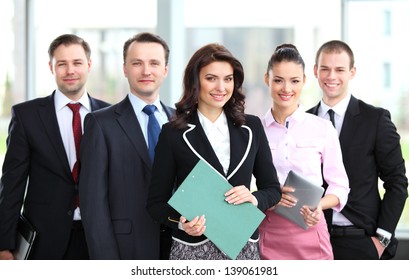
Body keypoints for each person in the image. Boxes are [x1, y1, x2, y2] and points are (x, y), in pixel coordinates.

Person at [146, 43, 282, 260]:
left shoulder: (253, 127)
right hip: (192, 251)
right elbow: (155, 205)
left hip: (243, 249)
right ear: (195, 81)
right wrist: (182, 223)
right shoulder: (173, 133)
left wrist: (254, 198)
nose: (221, 87)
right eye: (211, 78)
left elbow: (273, 189)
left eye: (228, 79)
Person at [0, 34, 110, 260]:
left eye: (77, 63)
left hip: (99, 239)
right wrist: (4, 244)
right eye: (62, 64)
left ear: (89, 65)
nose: (70, 70)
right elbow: (12, 185)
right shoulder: (26, 116)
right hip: (44, 240)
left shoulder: (110, 116)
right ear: (51, 67)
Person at [307, 40, 408, 260]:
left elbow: (397, 182)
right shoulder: (303, 121)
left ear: (352, 72)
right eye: (325, 68)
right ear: (315, 71)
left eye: (340, 69)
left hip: (360, 241)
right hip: (311, 239)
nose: (331, 76)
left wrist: (382, 239)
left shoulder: (376, 120)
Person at [78, 32, 174, 260]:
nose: (146, 71)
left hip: (178, 248)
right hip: (125, 249)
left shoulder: (182, 121)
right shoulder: (100, 124)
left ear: (165, 70)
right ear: (125, 69)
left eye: (154, 63)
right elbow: (92, 203)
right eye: (137, 63)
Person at [258, 44, 350, 260]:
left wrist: (319, 205)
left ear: (305, 81)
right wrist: (267, 196)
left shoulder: (322, 128)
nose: (286, 88)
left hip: (311, 228)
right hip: (268, 231)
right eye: (278, 80)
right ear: (266, 79)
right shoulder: (254, 129)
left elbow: (340, 185)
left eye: (295, 81)